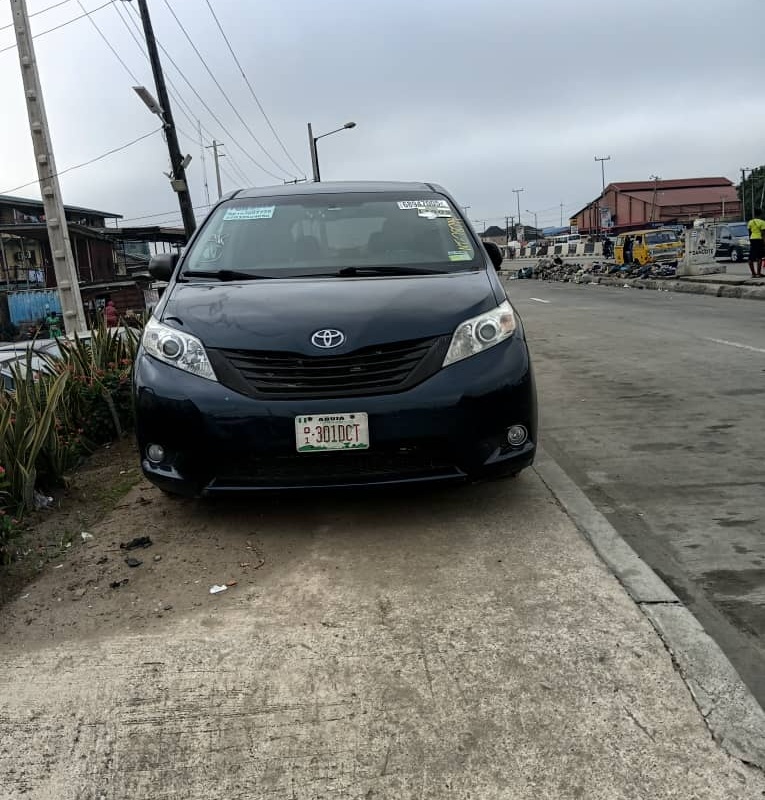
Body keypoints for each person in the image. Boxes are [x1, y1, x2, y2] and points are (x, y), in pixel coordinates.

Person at [747, 208, 765, 278]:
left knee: (751, 257)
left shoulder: (750, 222)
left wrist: (750, 240)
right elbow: (763, 234)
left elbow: (749, 233)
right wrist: (764, 242)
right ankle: (758, 273)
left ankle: (753, 273)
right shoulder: (762, 222)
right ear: (760, 214)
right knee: (759, 257)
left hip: (752, 239)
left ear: (754, 214)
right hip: (759, 240)